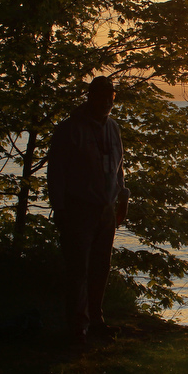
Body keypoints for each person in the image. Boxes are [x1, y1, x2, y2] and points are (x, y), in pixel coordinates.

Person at [47, 76, 129, 344]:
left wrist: (123, 197)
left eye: (110, 97)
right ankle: (77, 326)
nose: (106, 102)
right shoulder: (70, 130)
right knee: (78, 268)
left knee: (100, 267)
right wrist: (59, 209)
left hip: (106, 208)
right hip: (78, 207)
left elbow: (119, 167)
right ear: (89, 97)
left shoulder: (113, 128)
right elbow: (56, 172)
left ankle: (96, 319)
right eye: (101, 97)